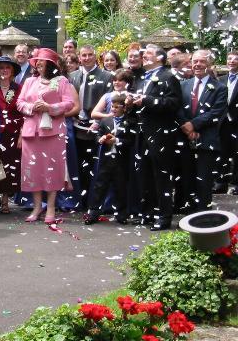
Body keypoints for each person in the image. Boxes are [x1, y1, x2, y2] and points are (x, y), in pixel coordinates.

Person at [126, 43, 182, 231]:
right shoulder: (141, 78)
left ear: (160, 58)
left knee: (162, 176)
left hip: (161, 135)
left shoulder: (168, 76)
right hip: (142, 134)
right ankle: (147, 213)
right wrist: (131, 102)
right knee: (145, 174)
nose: (144, 56)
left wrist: (147, 101)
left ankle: (164, 216)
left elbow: (174, 103)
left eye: (148, 53)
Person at [17, 48, 75, 225]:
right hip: (31, 131)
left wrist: (49, 108)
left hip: (53, 132)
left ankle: (50, 207)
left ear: (50, 64)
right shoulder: (29, 81)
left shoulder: (61, 81)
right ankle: (37, 206)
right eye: (37, 61)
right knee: (33, 171)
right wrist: (33, 107)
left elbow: (69, 103)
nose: (39, 63)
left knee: (52, 170)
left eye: (42, 61)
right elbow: (20, 103)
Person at [176, 50, 227, 213]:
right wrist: (186, 126)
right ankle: (188, 215)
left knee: (204, 181)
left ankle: (203, 217)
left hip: (206, 140)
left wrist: (194, 125)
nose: (197, 64)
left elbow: (216, 112)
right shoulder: (183, 85)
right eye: (195, 61)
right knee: (187, 179)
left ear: (209, 64)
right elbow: (177, 108)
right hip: (184, 139)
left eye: (202, 61)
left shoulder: (219, 88)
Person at [68, 45, 112, 202]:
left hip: (96, 128)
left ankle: (94, 201)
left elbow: (110, 104)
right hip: (75, 126)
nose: (86, 58)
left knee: (96, 166)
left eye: (90, 55)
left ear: (95, 56)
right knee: (78, 164)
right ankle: (79, 198)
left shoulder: (106, 76)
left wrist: (99, 122)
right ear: (79, 57)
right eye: (83, 55)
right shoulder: (71, 76)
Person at [84, 94, 134, 225]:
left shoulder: (129, 122)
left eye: (117, 107)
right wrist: (100, 139)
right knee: (99, 186)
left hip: (121, 160)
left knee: (120, 187)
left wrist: (116, 140)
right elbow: (98, 134)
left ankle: (121, 214)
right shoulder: (105, 121)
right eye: (112, 106)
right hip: (105, 160)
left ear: (124, 108)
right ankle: (93, 213)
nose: (113, 109)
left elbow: (131, 141)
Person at [0, 56, 23, 213]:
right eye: (1, 68)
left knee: (11, 166)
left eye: (7, 68)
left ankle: (5, 200)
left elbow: (23, 114)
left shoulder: (19, 88)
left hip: (13, 134)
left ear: (12, 71)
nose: (4, 71)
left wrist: (22, 134)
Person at [214, 50, 238, 194]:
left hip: (237, 121)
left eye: (235, 59)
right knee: (222, 152)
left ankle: (236, 183)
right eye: (229, 59)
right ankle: (220, 182)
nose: (232, 61)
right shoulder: (221, 80)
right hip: (223, 122)